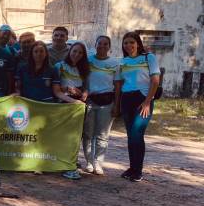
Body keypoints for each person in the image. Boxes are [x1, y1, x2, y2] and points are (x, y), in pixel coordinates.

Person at [117, 31, 160, 183]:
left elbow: (155, 81)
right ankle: (132, 168)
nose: (128, 45)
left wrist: (147, 102)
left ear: (138, 43)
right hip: (126, 99)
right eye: (125, 43)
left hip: (143, 98)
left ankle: (138, 171)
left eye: (131, 42)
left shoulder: (149, 57)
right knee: (130, 135)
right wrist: (117, 105)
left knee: (137, 133)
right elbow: (120, 83)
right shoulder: (122, 62)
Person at [83, 35, 121, 175]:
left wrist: (116, 105)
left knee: (102, 135)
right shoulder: (88, 60)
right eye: (100, 43)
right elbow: (83, 79)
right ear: (95, 45)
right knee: (88, 134)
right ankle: (89, 162)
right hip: (90, 101)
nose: (102, 46)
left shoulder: (115, 63)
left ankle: (98, 163)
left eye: (106, 44)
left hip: (107, 102)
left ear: (109, 47)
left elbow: (117, 86)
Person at [52, 41, 89, 180]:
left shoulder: (83, 69)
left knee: (75, 136)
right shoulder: (59, 66)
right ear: (69, 51)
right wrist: (67, 89)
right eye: (74, 51)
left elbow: (85, 88)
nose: (77, 54)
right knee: (62, 135)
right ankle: (62, 162)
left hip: (78, 105)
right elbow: (54, 88)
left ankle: (71, 161)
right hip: (63, 103)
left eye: (80, 52)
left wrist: (84, 93)